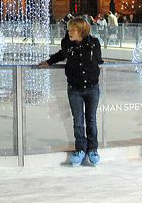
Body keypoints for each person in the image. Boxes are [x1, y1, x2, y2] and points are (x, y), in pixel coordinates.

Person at [39, 17, 103, 167]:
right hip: (74, 89)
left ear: (81, 30)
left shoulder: (93, 43)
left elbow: (97, 60)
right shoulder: (67, 44)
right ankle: (80, 149)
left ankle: (92, 149)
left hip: (92, 88)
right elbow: (62, 54)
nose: (69, 32)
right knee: (78, 122)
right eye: (68, 30)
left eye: (72, 30)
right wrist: (49, 61)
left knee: (91, 120)